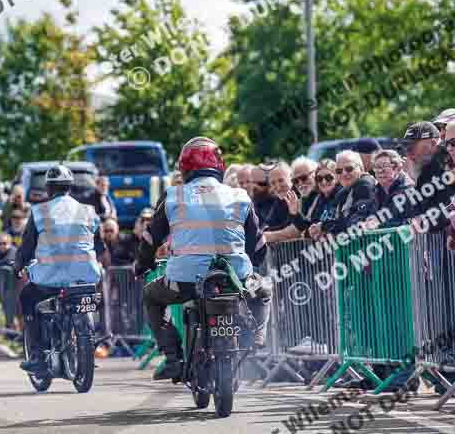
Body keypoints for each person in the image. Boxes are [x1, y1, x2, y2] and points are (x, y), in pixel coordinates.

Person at [135, 137, 271, 381]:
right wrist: (251, 264)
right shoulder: (240, 196)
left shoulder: (173, 196)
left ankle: (173, 358)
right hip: (235, 278)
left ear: (184, 168)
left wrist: (142, 264)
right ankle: (256, 339)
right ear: (219, 165)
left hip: (185, 280)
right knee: (264, 290)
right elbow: (259, 245)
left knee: (151, 296)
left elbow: (150, 239)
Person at [15, 164, 105, 373]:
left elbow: (27, 247)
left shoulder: (39, 212)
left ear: (49, 188)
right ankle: (94, 337)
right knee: (92, 299)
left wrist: (19, 266)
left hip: (49, 280)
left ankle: (37, 354)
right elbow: (99, 246)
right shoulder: (88, 211)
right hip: (85, 278)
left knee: (27, 297)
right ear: (70, 187)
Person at [309, 150, 376, 239]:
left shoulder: (364, 185)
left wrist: (323, 227)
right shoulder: (344, 192)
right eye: (339, 171)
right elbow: (339, 221)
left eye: (349, 169)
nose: (344, 173)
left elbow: (354, 222)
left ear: (361, 168)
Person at [402, 121, 455, 232]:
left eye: (412, 147)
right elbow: (413, 211)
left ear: (432, 144)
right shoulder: (426, 171)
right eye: (406, 147)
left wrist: (423, 221)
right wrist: (412, 180)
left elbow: (446, 211)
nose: (408, 152)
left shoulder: (443, 166)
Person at [264, 157, 316, 243]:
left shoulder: (301, 196)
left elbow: (295, 231)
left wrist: (263, 237)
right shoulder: (279, 201)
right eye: (273, 183)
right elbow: (271, 225)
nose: (278, 186)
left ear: (290, 178)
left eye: (281, 180)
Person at [289, 159, 342, 237]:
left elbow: (346, 222)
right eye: (319, 179)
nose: (323, 182)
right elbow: (307, 227)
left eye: (328, 178)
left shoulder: (343, 195)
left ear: (337, 178)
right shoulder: (318, 199)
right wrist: (295, 214)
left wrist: (323, 227)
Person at [373, 149, 411, 228]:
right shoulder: (376, 191)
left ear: (398, 168)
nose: (380, 170)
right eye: (376, 167)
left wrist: (375, 225)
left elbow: (405, 222)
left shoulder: (408, 191)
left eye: (385, 166)